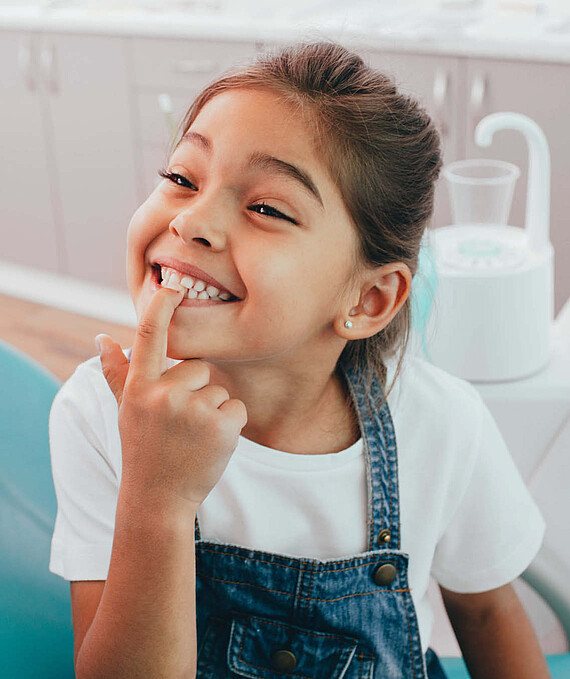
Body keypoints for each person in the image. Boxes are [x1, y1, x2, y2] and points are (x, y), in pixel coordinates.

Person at [48, 41, 549, 679]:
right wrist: (157, 498)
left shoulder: (444, 424)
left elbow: (485, 615)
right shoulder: (98, 412)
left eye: (266, 208)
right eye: (181, 178)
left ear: (368, 299)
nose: (193, 221)